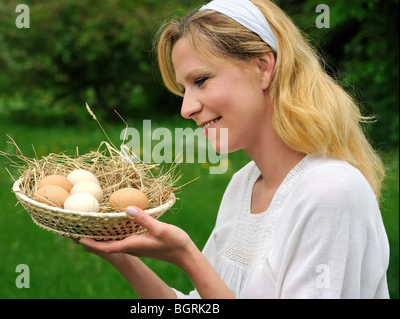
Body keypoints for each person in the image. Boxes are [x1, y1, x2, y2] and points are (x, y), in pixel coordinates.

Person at [74, 0, 390, 298]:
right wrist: (118, 253)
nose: (186, 108)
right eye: (184, 89)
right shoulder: (244, 185)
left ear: (263, 68)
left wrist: (188, 257)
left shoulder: (331, 192)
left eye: (201, 80)